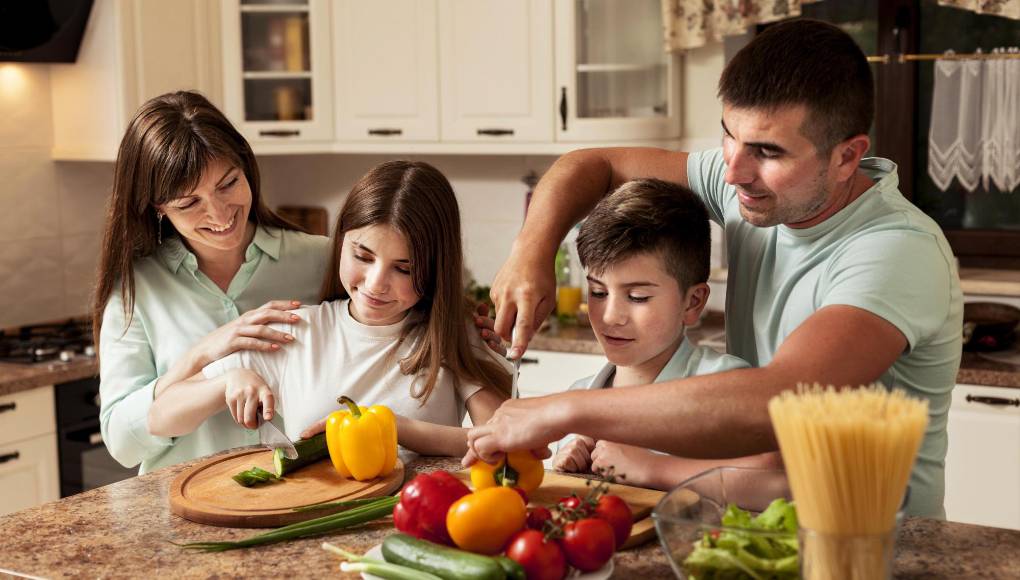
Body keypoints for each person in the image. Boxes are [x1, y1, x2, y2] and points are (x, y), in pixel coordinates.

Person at [466, 19, 962, 518]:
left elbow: (781, 400)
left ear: (847, 156)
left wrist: (559, 411)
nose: (734, 172)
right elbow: (593, 163)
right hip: (767, 533)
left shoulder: (896, 249)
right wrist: (530, 249)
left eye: (768, 152)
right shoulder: (752, 187)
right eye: (730, 136)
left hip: (878, 547)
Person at [148, 161, 512, 459]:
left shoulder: (453, 333)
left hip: (420, 524)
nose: (375, 283)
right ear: (340, 243)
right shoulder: (297, 330)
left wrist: (392, 427)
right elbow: (161, 417)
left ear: (436, 270)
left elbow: (504, 441)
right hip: (314, 528)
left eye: (404, 268)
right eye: (362, 256)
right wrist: (228, 381)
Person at [95, 91, 330, 474]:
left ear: (245, 167)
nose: (219, 213)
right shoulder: (137, 289)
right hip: (184, 513)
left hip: (307, 497)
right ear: (158, 208)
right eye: (189, 203)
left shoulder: (321, 261)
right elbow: (122, 443)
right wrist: (203, 355)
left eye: (228, 184)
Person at [552, 179, 782, 490]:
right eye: (597, 291)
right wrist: (566, 459)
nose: (610, 317)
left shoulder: (724, 382)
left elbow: (777, 481)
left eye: (637, 297)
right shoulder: (577, 399)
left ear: (693, 302)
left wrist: (651, 467)